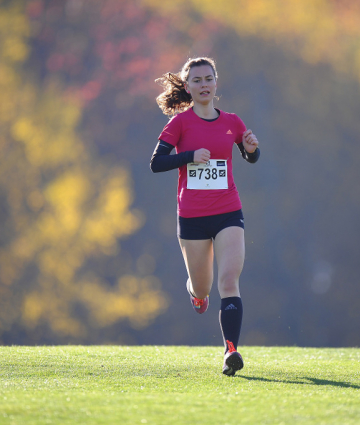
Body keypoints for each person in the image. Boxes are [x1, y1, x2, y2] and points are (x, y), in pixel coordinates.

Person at [150, 57, 260, 376]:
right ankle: (195, 293)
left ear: (216, 82)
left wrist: (251, 149)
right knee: (204, 289)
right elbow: (156, 163)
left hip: (228, 211)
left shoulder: (232, 121)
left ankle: (231, 351)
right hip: (193, 217)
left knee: (229, 281)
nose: (203, 85)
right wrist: (189, 157)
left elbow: (250, 156)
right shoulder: (179, 124)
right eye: (196, 80)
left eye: (208, 79)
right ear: (188, 87)